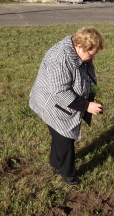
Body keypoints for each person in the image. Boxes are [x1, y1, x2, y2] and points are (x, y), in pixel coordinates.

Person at [29, 27, 104, 185]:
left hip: (63, 101)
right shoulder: (60, 58)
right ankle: (69, 174)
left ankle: (55, 163)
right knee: (65, 138)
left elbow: (89, 77)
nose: (93, 57)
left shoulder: (83, 55)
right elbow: (60, 92)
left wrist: (93, 93)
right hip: (51, 102)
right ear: (79, 46)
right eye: (91, 54)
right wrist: (86, 106)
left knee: (59, 136)